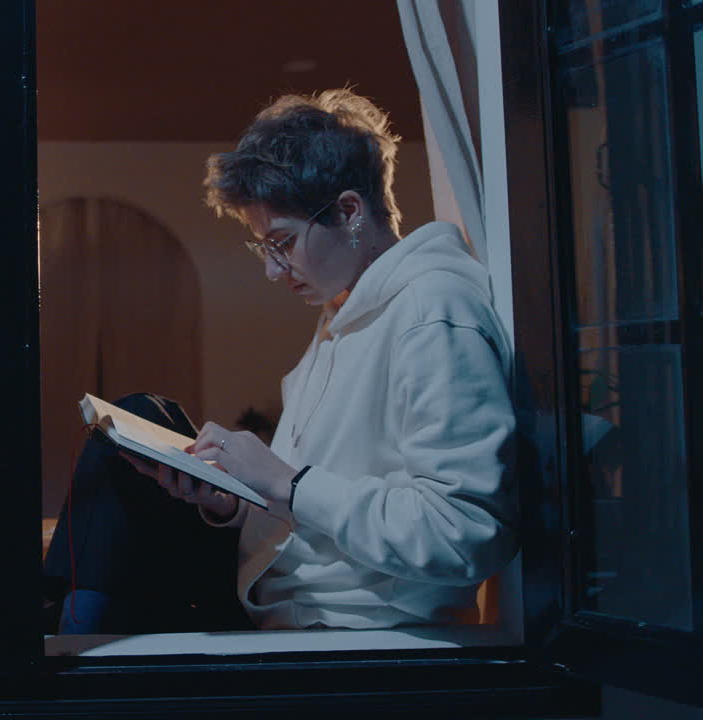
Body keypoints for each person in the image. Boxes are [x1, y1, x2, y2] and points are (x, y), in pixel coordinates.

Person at [43, 88, 518, 633]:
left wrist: (286, 483)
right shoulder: (343, 314)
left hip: (346, 625)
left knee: (121, 480)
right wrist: (231, 502)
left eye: (283, 243)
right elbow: (307, 505)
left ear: (349, 211)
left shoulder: (433, 310)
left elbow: (464, 530)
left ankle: (59, 662)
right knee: (134, 430)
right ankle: (62, 647)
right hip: (277, 600)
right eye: (265, 249)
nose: (274, 272)